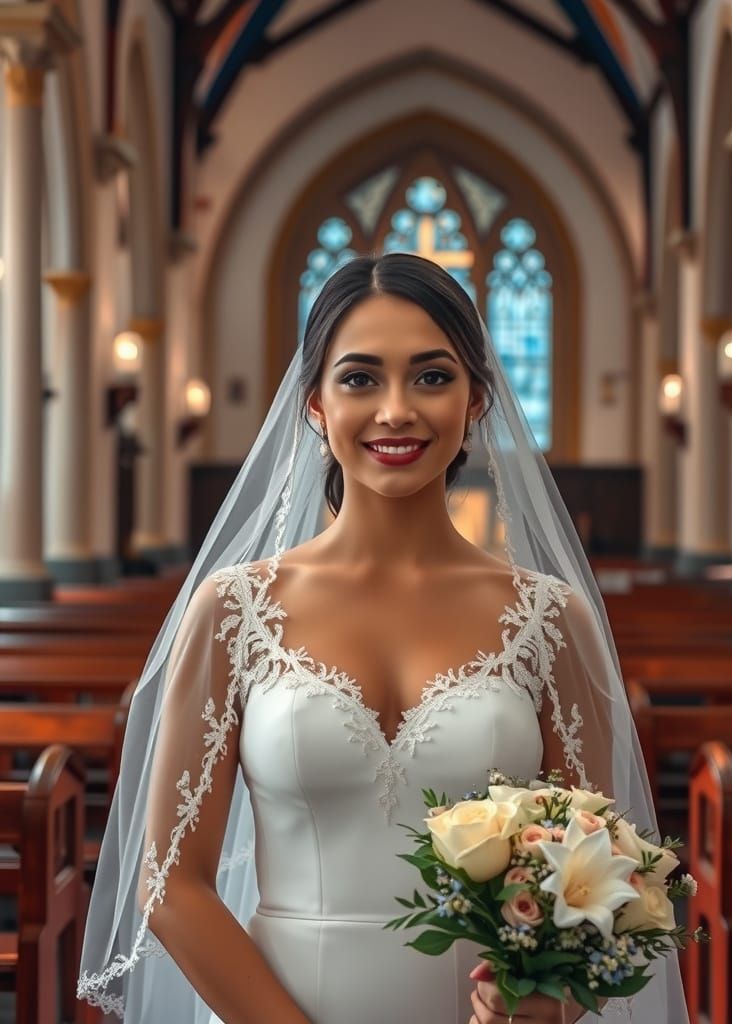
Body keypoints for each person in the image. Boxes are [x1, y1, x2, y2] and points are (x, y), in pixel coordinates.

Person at [77, 253, 689, 1023]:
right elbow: (170, 885)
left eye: (432, 377)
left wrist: (540, 1006)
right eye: (360, 378)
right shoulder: (232, 611)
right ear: (314, 404)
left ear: (477, 400)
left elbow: (599, 880)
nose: (396, 410)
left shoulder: (552, 620)